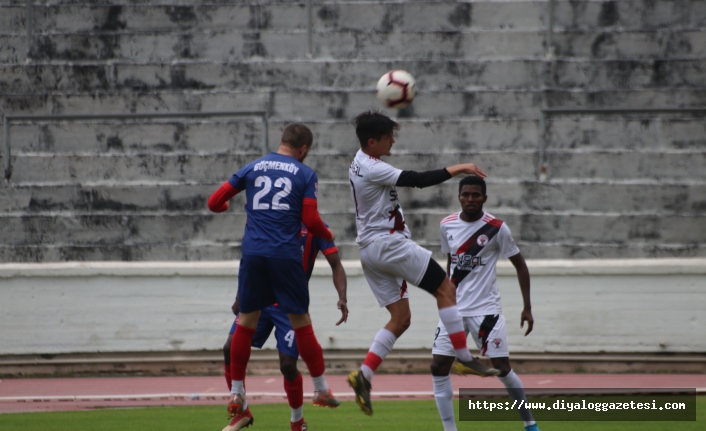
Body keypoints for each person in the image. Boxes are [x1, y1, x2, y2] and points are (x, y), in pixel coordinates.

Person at [347, 111, 500, 416]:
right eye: (389, 136)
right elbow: (416, 181)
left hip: (369, 250)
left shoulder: (358, 160)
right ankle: (463, 357)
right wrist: (459, 168)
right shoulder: (373, 167)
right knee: (447, 290)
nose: (393, 140)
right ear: (372, 141)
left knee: (400, 319)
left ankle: (363, 374)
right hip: (389, 245)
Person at [208, 124, 340, 431]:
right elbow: (309, 218)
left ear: (282, 142)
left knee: (245, 322)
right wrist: (325, 231)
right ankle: (320, 387)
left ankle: (237, 393)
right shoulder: (304, 174)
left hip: (253, 254)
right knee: (301, 323)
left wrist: (227, 204)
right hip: (284, 255)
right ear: (304, 149)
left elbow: (214, 202)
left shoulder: (252, 167)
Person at [431, 175, 539, 431]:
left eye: (475, 195)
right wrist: (447, 292)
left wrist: (527, 307)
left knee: (501, 368)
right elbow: (452, 261)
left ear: (484, 198)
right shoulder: (447, 225)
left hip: (486, 311)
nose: (470, 199)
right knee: (438, 365)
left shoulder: (497, 227)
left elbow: (521, 267)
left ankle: (530, 424)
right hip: (454, 309)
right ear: (459, 196)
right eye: (465, 194)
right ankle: (450, 429)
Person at [222, 223, 348, 431]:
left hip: (289, 307)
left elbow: (336, 264)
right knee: (229, 348)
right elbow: (250, 258)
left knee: (288, 366)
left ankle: (297, 421)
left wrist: (342, 298)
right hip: (259, 302)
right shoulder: (270, 218)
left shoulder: (315, 227)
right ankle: (242, 412)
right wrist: (240, 295)